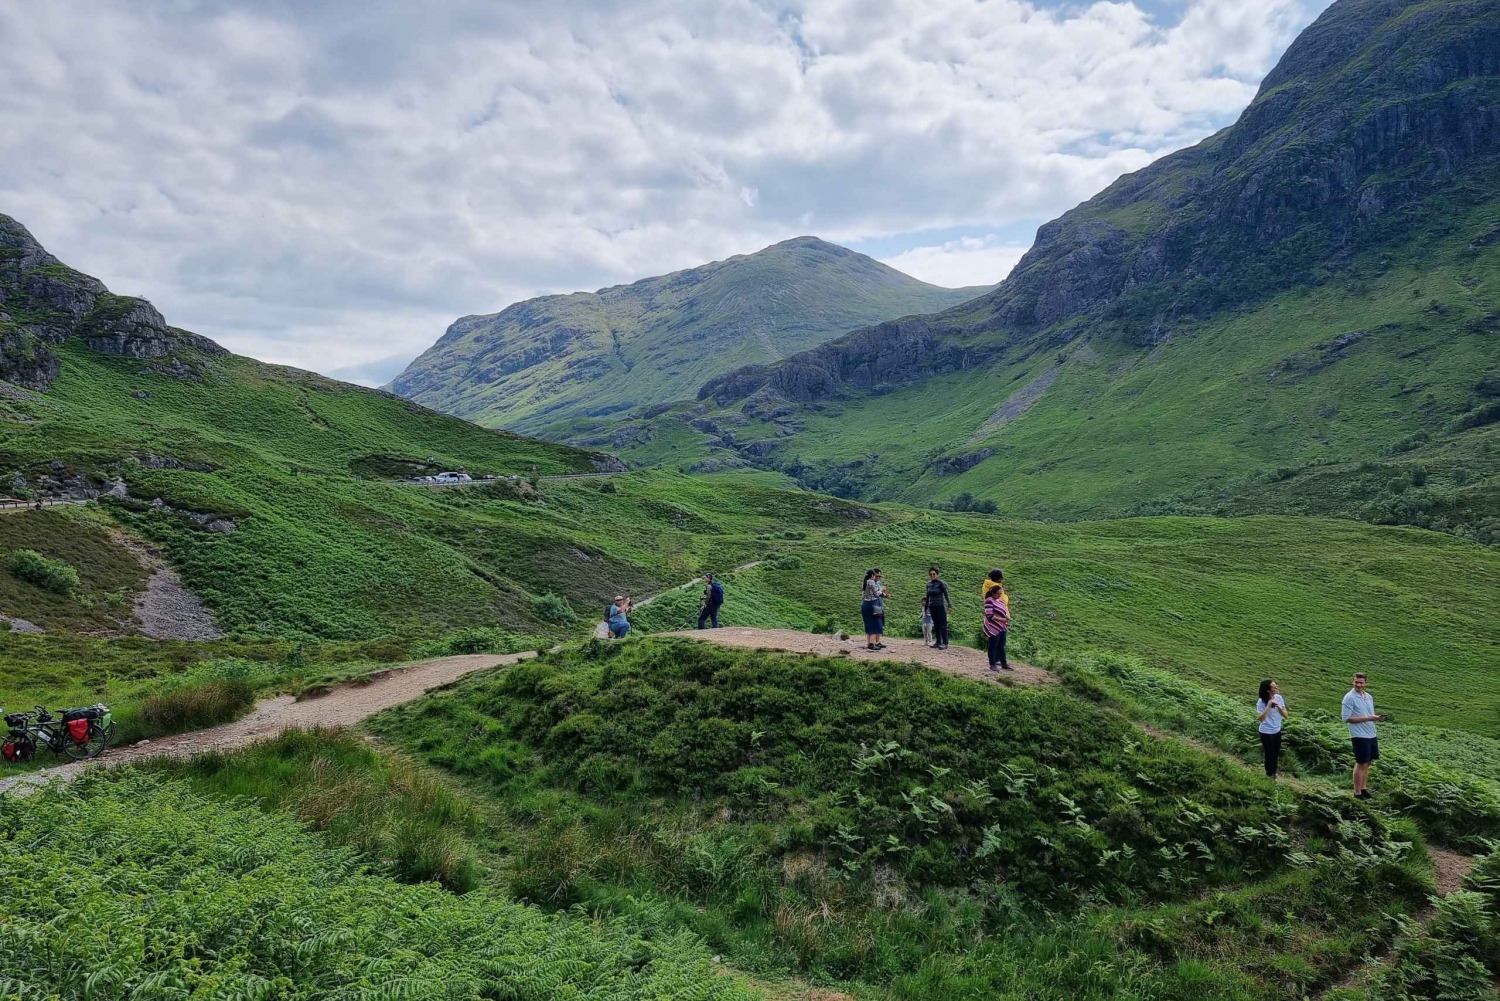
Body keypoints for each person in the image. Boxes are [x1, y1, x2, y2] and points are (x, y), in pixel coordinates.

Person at [1341, 672, 1384, 799]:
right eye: (1356, 682)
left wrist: (1375, 718)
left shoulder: (1368, 697)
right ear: (1352, 682)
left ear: (1366, 683)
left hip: (1371, 733)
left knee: (1368, 762)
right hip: (1359, 735)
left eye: (1361, 682)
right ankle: (1357, 792)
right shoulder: (1349, 697)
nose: (1358, 685)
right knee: (1361, 762)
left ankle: (1363, 788)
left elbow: (1369, 714)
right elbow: (1346, 718)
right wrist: (1368, 718)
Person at [1256, 679, 1289, 778]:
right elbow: (1261, 719)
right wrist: (1269, 705)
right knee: (1269, 753)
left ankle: (1274, 773)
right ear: (1268, 690)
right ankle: (1269, 773)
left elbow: (1286, 716)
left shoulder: (1279, 698)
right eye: (1275, 687)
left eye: (1277, 686)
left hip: (1277, 730)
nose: (1277, 688)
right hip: (1266, 732)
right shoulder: (1261, 702)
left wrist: (1278, 707)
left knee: (1276, 753)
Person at [982, 569, 1010, 671]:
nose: (1000, 595)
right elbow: (990, 616)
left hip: (1002, 625)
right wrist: (1002, 620)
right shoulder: (989, 601)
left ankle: (1004, 663)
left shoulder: (998, 599)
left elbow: (1003, 606)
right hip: (994, 625)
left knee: (1001, 645)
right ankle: (992, 664)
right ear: (993, 593)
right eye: (998, 594)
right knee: (993, 645)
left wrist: (1006, 618)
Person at [925, 567, 954, 650]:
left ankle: (945, 642)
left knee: (942, 624)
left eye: (934, 574)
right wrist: (926, 608)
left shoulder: (941, 583)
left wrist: (949, 605)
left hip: (940, 606)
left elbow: (946, 594)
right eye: (930, 574)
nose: (932, 575)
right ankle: (938, 642)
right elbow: (927, 597)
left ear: (937, 574)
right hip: (932, 606)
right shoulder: (928, 584)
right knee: (936, 624)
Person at [861, 568, 888, 650]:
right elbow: (876, 594)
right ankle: (872, 644)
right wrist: (882, 589)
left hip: (865, 604)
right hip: (872, 604)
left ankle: (869, 643)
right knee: (876, 624)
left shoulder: (864, 582)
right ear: (872, 575)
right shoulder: (871, 582)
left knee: (869, 624)